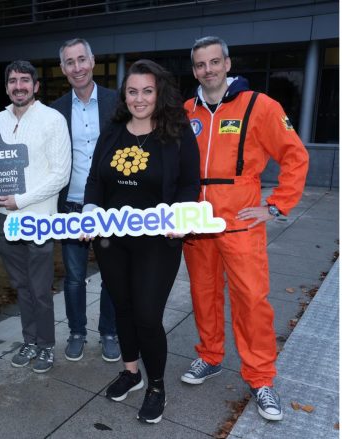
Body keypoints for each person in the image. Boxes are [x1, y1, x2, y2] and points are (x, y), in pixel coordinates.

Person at [181, 36, 309, 422]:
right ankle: (210, 356)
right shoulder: (187, 110)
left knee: (252, 302)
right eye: (201, 64)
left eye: (214, 62)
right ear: (194, 70)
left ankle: (261, 378)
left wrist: (276, 205)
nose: (208, 70)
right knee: (203, 295)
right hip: (197, 223)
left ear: (227, 63)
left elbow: (294, 155)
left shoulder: (260, 106)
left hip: (240, 223)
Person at [84, 59, 200, 423]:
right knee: (123, 308)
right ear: (125, 95)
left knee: (148, 316)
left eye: (147, 90)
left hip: (156, 241)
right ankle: (132, 372)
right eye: (132, 91)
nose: (139, 98)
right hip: (112, 241)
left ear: (159, 92)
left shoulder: (177, 131)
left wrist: (181, 215)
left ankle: (156, 386)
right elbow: (95, 180)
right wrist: (90, 209)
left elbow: (189, 183)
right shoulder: (113, 130)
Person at [0, 60, 71, 374]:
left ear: (36, 86)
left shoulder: (52, 120)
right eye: (13, 80)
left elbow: (60, 175)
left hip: (38, 220)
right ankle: (30, 340)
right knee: (21, 287)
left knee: (40, 289)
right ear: (7, 86)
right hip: (3, 220)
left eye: (25, 80)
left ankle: (46, 346)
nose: (18, 86)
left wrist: (19, 201)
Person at [51, 38, 120, 363]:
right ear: (63, 69)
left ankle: (109, 332)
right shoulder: (56, 111)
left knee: (111, 275)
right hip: (72, 206)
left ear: (92, 61)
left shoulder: (117, 103)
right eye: (70, 62)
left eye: (81, 59)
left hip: (110, 207)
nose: (77, 67)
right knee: (75, 276)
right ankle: (77, 331)